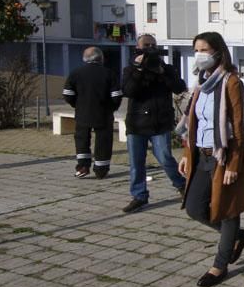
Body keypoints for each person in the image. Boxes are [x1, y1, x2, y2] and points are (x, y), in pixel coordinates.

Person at [178, 32, 244, 287]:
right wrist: (187, 154)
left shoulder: (231, 82)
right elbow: (193, 124)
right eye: (196, 49)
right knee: (194, 208)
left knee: (227, 209)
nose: (199, 54)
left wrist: (234, 163)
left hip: (222, 155)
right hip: (200, 154)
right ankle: (235, 236)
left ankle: (219, 266)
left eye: (204, 50)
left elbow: (238, 126)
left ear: (218, 52)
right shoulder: (201, 83)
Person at [121, 34, 188, 213]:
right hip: (137, 123)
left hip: (160, 123)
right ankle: (139, 195)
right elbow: (128, 91)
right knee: (136, 162)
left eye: (153, 45)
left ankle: (182, 185)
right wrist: (139, 69)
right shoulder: (130, 69)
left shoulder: (166, 68)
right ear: (138, 47)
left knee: (165, 158)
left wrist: (163, 72)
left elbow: (180, 87)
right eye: (146, 45)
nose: (150, 48)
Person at [62, 47, 121, 179]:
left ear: (84, 59)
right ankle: (101, 169)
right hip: (103, 114)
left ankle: (83, 166)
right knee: (103, 141)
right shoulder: (109, 73)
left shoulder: (76, 73)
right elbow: (116, 96)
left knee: (82, 139)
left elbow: (67, 94)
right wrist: (111, 107)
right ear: (101, 58)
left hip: (82, 113)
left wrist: (76, 104)